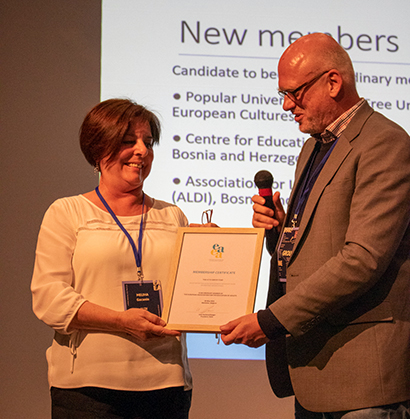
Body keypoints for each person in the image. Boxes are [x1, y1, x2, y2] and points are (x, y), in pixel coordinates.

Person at [220, 33, 410, 418]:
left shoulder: (385, 143)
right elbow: (312, 248)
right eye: (283, 94)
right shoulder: (314, 145)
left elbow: (363, 258)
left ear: (333, 82)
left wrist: (272, 321)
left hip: (363, 380)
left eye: (295, 93)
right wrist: (278, 231)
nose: (288, 105)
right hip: (314, 368)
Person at [31, 98, 193, 419]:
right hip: (87, 390)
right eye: (127, 141)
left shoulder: (173, 216)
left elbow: (192, 293)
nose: (142, 151)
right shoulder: (67, 212)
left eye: (147, 142)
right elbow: (50, 299)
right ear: (98, 148)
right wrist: (121, 321)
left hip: (165, 384)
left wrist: (212, 252)